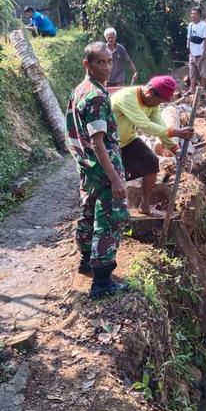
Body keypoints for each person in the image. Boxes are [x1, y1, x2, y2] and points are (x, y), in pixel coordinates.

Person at [65, 42, 129, 299]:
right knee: (110, 219)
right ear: (87, 64)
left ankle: (86, 262)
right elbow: (98, 142)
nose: (106, 67)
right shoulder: (96, 97)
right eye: (100, 62)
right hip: (102, 168)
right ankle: (102, 282)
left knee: (89, 213)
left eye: (109, 61)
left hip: (87, 167)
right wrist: (115, 179)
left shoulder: (80, 90)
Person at [111, 76, 194, 216]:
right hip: (109, 145)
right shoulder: (127, 98)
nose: (158, 105)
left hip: (128, 141)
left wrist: (175, 149)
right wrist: (176, 132)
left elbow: (160, 126)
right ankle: (110, 214)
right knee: (112, 180)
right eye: (158, 101)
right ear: (149, 92)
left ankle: (145, 206)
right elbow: (145, 125)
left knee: (151, 162)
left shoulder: (152, 104)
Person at [186, 7, 206, 95]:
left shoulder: (204, 25)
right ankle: (192, 89)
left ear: (199, 15)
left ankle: (202, 90)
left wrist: (203, 53)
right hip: (192, 53)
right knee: (192, 72)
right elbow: (189, 38)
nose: (192, 15)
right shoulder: (190, 25)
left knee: (203, 73)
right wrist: (189, 50)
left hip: (201, 53)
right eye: (192, 14)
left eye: (195, 14)